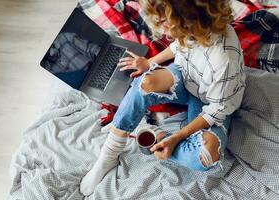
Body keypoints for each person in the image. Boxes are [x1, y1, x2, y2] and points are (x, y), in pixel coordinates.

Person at [80, 0, 246, 196]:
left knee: (206, 158)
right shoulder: (196, 28)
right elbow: (178, 46)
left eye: (165, 22)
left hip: (209, 104)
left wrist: (175, 138)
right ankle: (109, 153)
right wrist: (148, 63)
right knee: (144, 82)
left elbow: (216, 111)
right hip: (187, 76)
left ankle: (158, 137)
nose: (161, 28)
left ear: (187, 20)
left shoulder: (223, 60)